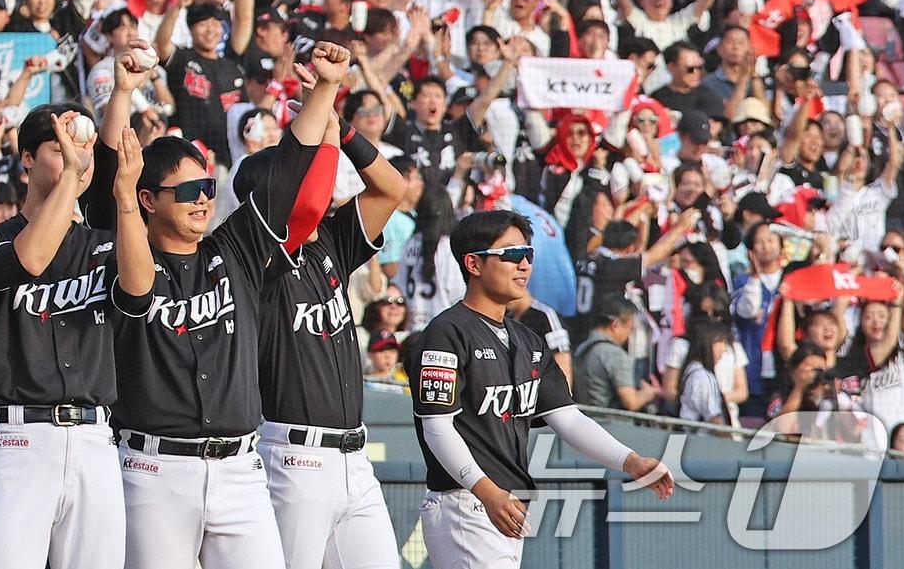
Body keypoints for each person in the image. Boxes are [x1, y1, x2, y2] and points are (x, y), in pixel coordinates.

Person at [98, 41, 350, 569]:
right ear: (148, 200)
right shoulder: (120, 259)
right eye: (187, 189)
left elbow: (286, 173)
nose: (203, 198)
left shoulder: (232, 248)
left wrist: (325, 89)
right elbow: (110, 193)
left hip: (241, 470)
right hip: (153, 470)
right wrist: (123, 95)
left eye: (207, 185)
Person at [405, 209, 673, 568]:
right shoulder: (446, 332)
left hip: (502, 505)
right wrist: (485, 492)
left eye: (528, 254)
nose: (524, 265)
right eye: (512, 254)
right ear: (473, 263)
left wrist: (631, 460)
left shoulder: (527, 338)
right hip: (466, 501)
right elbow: (436, 426)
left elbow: (570, 420)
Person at [0, 88, 141, 568]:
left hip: (97, 439)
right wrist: (73, 178)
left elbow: (139, 295)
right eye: (60, 146)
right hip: (19, 439)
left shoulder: (104, 244)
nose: (77, 156)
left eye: (83, 149)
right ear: (28, 160)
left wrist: (121, 196)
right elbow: (30, 258)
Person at [251, 101, 407, 568]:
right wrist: (326, 133)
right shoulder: (259, 260)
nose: (317, 190)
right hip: (294, 458)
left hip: (354, 459)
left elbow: (391, 188)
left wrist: (342, 130)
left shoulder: (331, 245)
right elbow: (311, 204)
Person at [572, 299, 660, 411]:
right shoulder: (614, 354)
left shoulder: (582, 348)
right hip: (611, 423)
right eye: (630, 328)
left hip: (585, 418)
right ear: (615, 325)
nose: (629, 335)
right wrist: (648, 393)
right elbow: (631, 402)